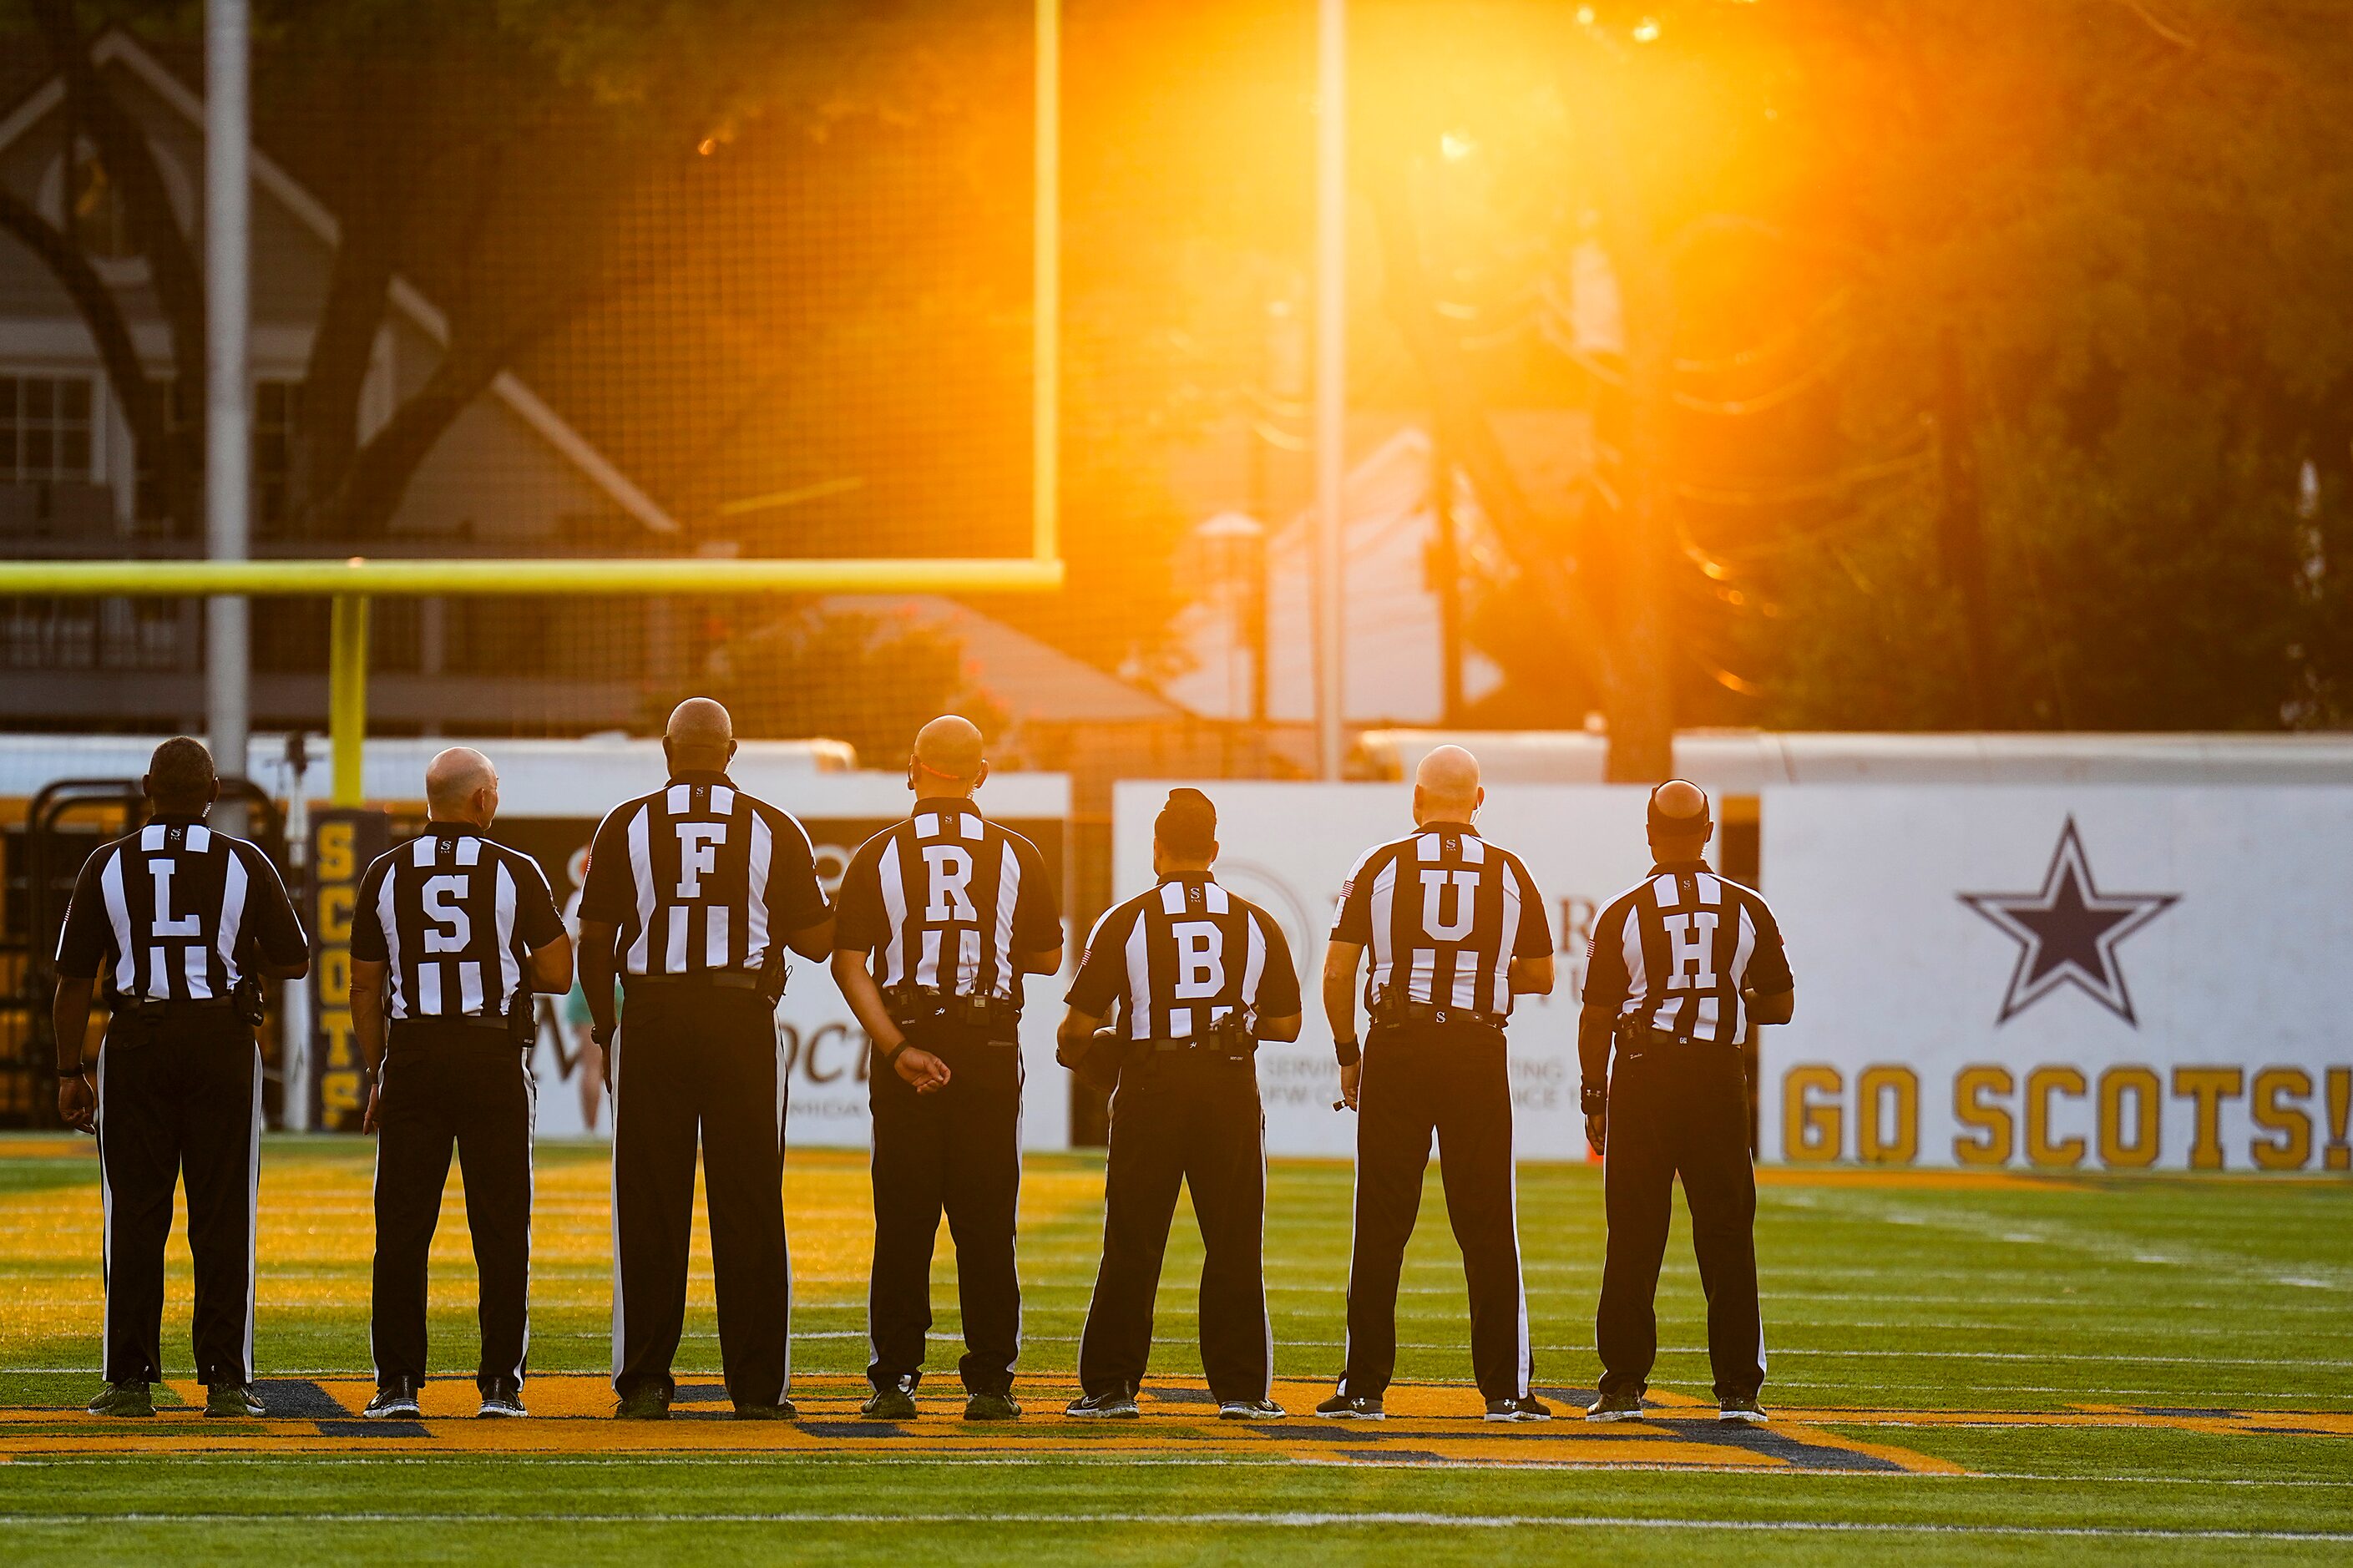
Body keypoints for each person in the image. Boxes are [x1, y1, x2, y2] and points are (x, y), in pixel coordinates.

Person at [577, 699, 833, 1421]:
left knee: (651, 1203)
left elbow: (595, 942)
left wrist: (608, 1026)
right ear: (731, 751)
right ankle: (755, 1388)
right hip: (739, 1018)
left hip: (655, 1018)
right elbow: (816, 940)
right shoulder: (773, 825)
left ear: (667, 749)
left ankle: (648, 1382)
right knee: (749, 1202)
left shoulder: (626, 823)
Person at [51, 737, 309, 1419]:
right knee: (223, 1213)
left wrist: (67, 1068)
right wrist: (233, 953)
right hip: (220, 1039)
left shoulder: (107, 864)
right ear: (214, 792)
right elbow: (295, 959)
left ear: (147, 788)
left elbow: (74, 979)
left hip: (136, 1038)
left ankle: (130, 1381)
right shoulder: (244, 861)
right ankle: (226, 1381)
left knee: (134, 1214)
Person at [831, 716, 1062, 1423]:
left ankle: (895, 1379)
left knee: (903, 1221)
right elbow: (1047, 958)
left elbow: (848, 963)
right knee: (987, 1223)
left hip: (907, 1037)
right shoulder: (1018, 852)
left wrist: (899, 1049)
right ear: (981, 773)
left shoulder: (878, 853)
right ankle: (990, 1382)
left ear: (914, 767)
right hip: (988, 1046)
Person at [1317, 746, 1555, 1423]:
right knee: (1487, 1221)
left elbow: (1337, 973)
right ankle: (1505, 1392)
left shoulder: (1380, 864)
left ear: (1416, 801)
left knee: (1381, 1220)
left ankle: (1363, 1388)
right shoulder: (1509, 872)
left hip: (1399, 1042)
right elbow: (1540, 976)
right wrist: (1478, 972)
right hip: (1477, 1048)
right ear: (1479, 801)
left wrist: (1347, 1051)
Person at [1057, 789, 1301, 1421]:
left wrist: (1103, 1053)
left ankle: (1111, 1388)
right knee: (1234, 1243)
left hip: (1150, 1088)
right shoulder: (1255, 920)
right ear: (1215, 850)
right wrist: (1236, 1024)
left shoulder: (1126, 920)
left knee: (1132, 1242)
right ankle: (1242, 1390)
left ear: (1157, 848)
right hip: (1227, 1088)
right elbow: (1288, 1024)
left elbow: (1073, 1033)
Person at [349, 748, 573, 1420]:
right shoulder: (515, 871)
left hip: (414, 1058)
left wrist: (377, 1069)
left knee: (402, 1229)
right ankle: (500, 1384)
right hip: (489, 1057)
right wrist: (496, 968)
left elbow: (364, 985)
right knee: (502, 1228)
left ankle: (396, 1386)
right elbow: (560, 972)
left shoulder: (384, 874)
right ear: (480, 802)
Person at [1580, 780, 1794, 1426]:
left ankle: (1621, 1389)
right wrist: (1722, 1003)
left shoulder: (1623, 910)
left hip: (1643, 1079)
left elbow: (1596, 1015)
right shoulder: (1747, 907)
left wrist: (1594, 1095)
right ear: (1707, 834)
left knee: (1635, 1236)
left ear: (1650, 834)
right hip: (1715, 1081)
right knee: (1727, 1235)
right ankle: (1737, 1391)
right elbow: (1780, 1006)